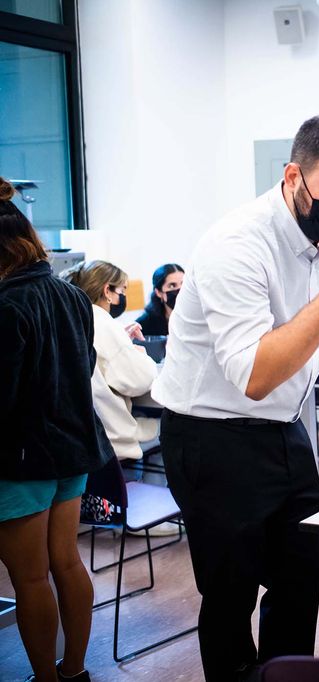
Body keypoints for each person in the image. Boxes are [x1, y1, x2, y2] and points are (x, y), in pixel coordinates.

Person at [151, 113, 319, 680]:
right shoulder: (235, 244)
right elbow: (255, 373)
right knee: (231, 594)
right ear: (293, 177)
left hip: (284, 431)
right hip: (209, 436)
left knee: (301, 576)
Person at [0, 177, 113, 682]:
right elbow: (81, 367)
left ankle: (43, 677)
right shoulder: (72, 299)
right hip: (73, 451)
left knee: (29, 577)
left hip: (23, 462)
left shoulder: (6, 307)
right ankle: (73, 670)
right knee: (66, 563)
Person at [62, 261, 159, 461]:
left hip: (78, 437)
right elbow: (139, 381)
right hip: (111, 440)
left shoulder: (74, 317)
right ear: (107, 290)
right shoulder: (103, 322)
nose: (123, 296)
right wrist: (137, 353)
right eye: (122, 290)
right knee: (166, 427)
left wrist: (122, 342)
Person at [136, 263, 184, 336]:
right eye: (172, 285)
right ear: (158, 292)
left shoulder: (198, 316)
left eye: (183, 284)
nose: (179, 289)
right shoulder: (144, 325)